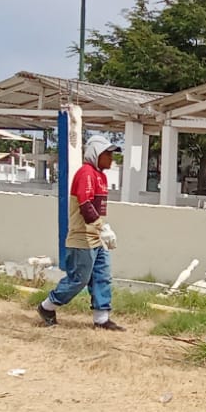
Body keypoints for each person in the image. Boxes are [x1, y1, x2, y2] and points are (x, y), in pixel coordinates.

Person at [36, 134, 125, 331]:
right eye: (108, 154)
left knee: (102, 276)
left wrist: (103, 228)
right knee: (79, 279)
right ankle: (47, 306)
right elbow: (85, 206)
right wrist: (103, 228)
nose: (111, 158)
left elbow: (95, 209)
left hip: (96, 236)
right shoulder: (86, 173)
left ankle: (101, 318)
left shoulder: (101, 176)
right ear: (96, 154)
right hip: (82, 238)